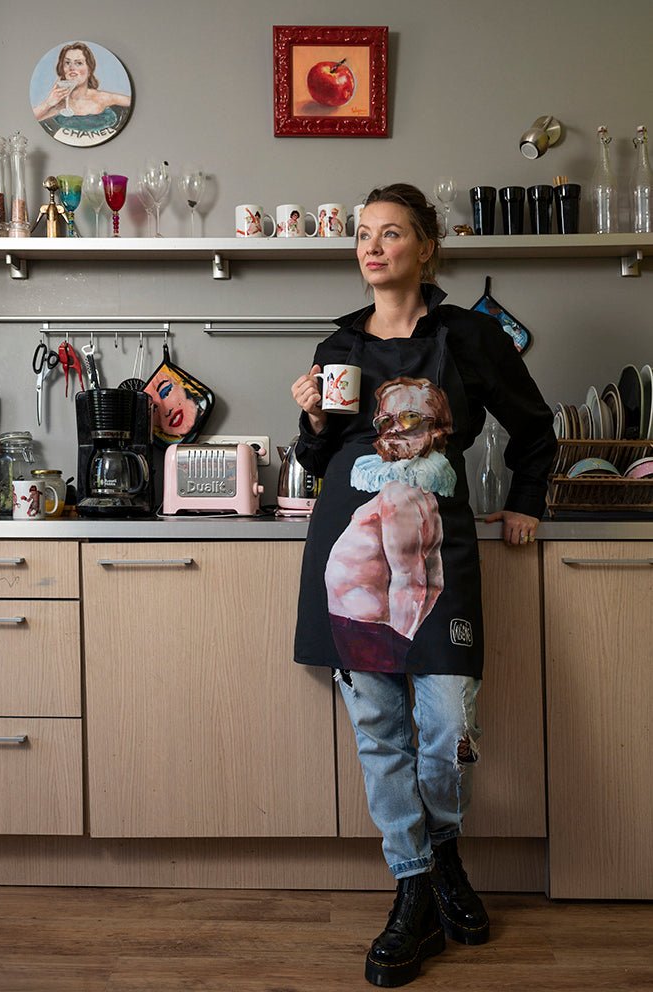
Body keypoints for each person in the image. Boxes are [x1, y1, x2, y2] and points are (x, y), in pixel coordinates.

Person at [290, 183, 556, 988]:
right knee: (379, 728)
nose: (372, 248)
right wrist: (312, 421)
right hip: (349, 554)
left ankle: (440, 852)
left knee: (448, 728)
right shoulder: (338, 344)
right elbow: (316, 462)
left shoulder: (471, 336)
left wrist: (526, 501)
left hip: (440, 554)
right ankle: (415, 887)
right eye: (363, 235)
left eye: (391, 233)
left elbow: (535, 427)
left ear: (427, 246)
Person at [32, 42, 131, 143]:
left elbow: (134, 103)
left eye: (78, 63)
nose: (72, 68)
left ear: (89, 69)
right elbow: (30, 120)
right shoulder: (58, 105)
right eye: (67, 63)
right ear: (62, 68)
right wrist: (48, 103)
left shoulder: (103, 98)